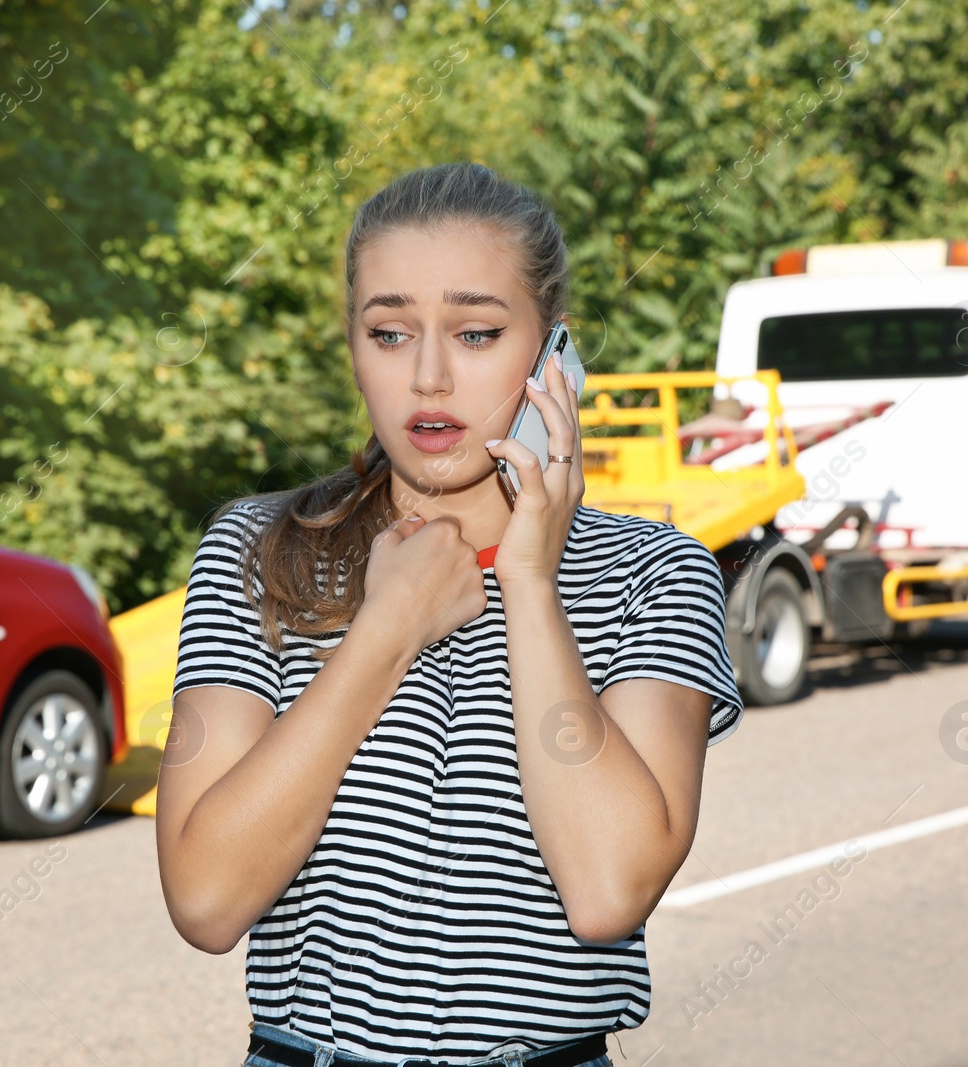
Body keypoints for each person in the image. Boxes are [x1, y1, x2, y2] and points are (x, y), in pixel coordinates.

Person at [155, 162, 744, 1067]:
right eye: (389, 333)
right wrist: (383, 633)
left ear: (555, 353)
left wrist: (532, 589)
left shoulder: (655, 573)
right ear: (352, 347)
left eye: (475, 332)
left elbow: (606, 888)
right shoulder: (258, 548)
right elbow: (206, 899)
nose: (429, 377)